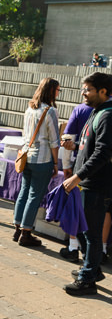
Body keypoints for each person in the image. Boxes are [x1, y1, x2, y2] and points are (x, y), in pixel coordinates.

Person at [62, 72, 112, 296]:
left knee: (90, 233)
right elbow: (91, 147)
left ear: (103, 91)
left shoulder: (108, 115)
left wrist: (77, 176)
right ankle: (92, 269)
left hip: (95, 185)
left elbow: (103, 153)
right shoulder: (97, 112)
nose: (84, 93)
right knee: (82, 230)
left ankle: (88, 279)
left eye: (88, 89)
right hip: (86, 182)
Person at [12, 78, 60, 247]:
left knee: (24, 192)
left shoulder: (30, 109)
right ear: (51, 90)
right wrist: (55, 163)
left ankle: (17, 228)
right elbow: (55, 141)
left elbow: (26, 135)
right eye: (57, 90)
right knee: (34, 195)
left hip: (27, 155)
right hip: (43, 158)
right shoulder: (50, 111)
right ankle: (26, 233)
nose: (58, 93)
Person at [58, 102, 93, 262]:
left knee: (76, 207)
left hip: (81, 167)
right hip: (101, 172)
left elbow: (68, 137)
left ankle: (73, 246)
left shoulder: (82, 109)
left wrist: (66, 165)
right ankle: (102, 249)